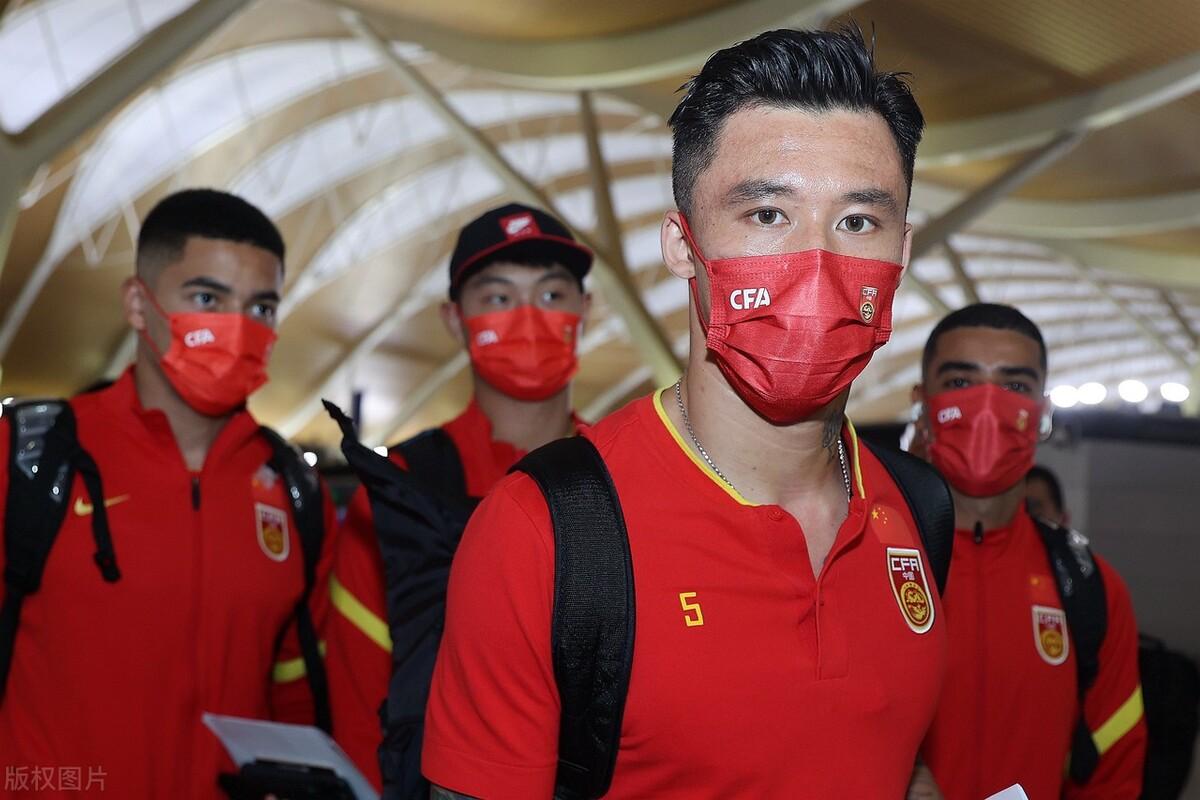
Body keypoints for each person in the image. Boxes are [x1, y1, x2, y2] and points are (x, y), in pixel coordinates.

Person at [424, 26, 949, 799]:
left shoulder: (918, 507)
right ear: (681, 244)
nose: (816, 267)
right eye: (767, 215)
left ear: (901, 252)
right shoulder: (543, 529)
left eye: (857, 223)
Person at [0, 189, 335, 797]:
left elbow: (297, 691)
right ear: (137, 303)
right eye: (207, 298)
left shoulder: (294, 492)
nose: (238, 328)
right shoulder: (28, 458)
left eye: (260, 307)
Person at [323, 202, 592, 791]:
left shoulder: (624, 477)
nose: (527, 317)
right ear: (454, 319)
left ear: (585, 310)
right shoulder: (397, 491)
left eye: (551, 294)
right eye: (498, 297)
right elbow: (358, 702)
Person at [916, 303, 1146, 799]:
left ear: (1043, 413)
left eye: (1015, 386)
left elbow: (1113, 775)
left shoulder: (1091, 588)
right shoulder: (856, 562)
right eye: (960, 381)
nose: (987, 406)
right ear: (922, 403)